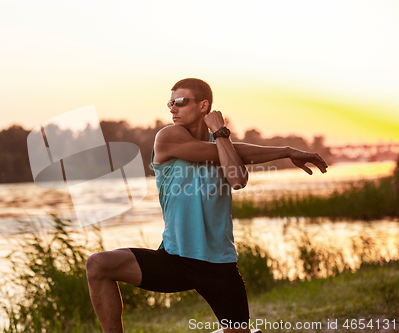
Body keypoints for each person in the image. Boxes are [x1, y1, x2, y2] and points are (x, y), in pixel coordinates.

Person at [86, 78, 328, 333]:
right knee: (98, 264)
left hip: (219, 266)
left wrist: (286, 150)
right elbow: (224, 153)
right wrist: (226, 134)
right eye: (171, 103)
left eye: (181, 102)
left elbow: (237, 178)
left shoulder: (224, 148)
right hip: (174, 260)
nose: (172, 108)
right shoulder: (168, 137)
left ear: (204, 105)